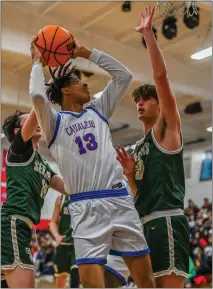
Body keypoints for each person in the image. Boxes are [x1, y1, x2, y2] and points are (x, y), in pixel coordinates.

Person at [29, 35, 155, 288]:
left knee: (146, 282)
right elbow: (38, 97)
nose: (86, 85)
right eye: (78, 81)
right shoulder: (54, 123)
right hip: (85, 208)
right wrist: (36, 62)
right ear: (65, 89)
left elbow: (124, 76)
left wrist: (87, 53)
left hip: (119, 199)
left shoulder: (98, 110)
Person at [116, 6, 190, 288]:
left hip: (168, 223)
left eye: (147, 99)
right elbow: (140, 195)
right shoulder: (139, 147)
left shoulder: (166, 130)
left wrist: (148, 34)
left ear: (160, 105)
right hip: (146, 223)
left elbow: (160, 78)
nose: (140, 103)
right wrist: (130, 177)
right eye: (138, 100)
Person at [1, 109, 67, 288]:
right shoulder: (19, 149)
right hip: (13, 223)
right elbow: (38, 108)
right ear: (17, 131)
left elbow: (68, 188)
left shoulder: (43, 164)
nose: (36, 122)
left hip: (23, 228)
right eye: (28, 120)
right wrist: (44, 88)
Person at [49, 195, 80, 288]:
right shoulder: (61, 198)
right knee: (60, 282)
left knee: (75, 273)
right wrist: (56, 235)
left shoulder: (85, 194)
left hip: (77, 245)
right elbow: (52, 222)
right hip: (63, 245)